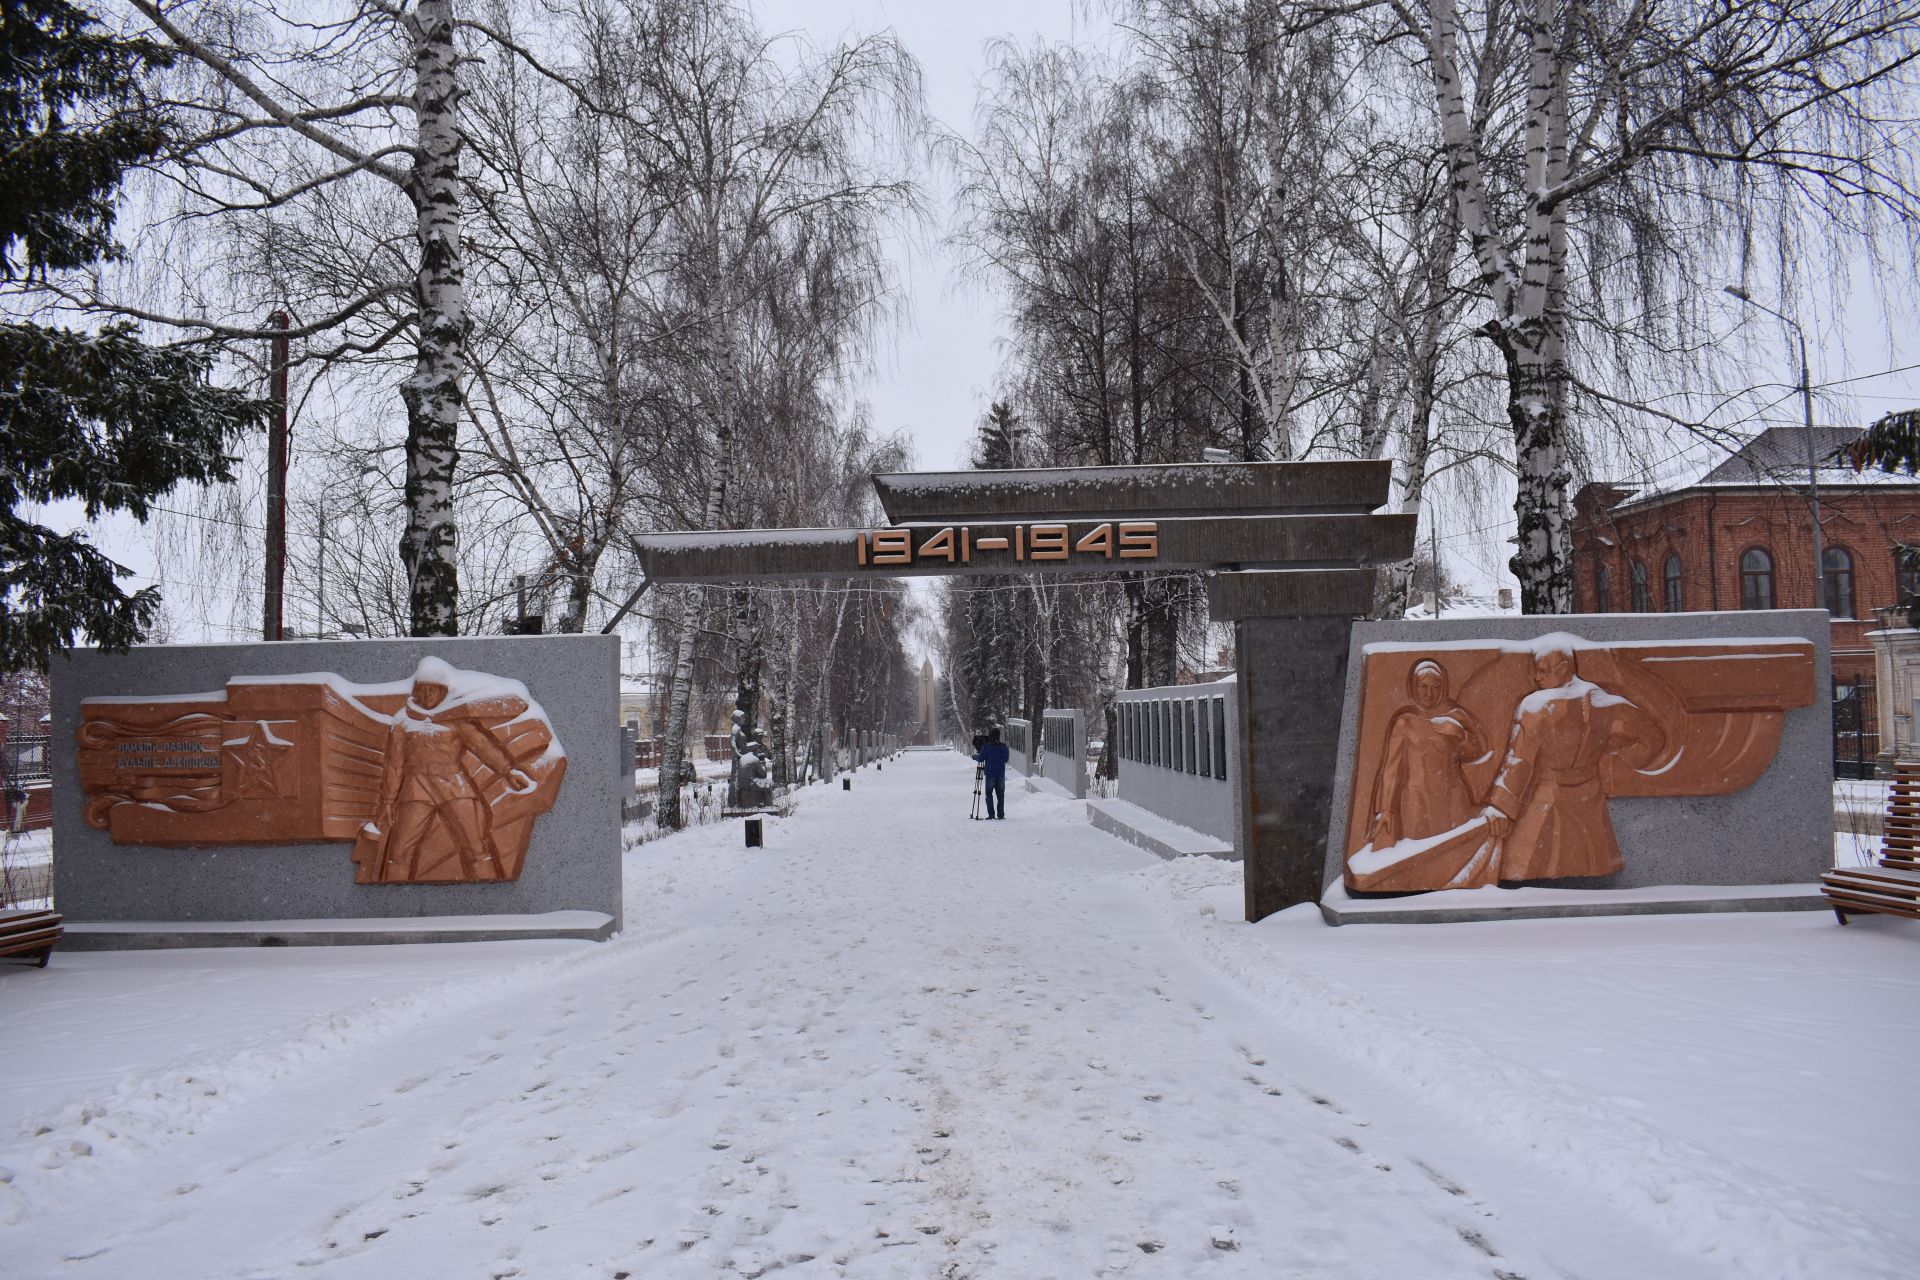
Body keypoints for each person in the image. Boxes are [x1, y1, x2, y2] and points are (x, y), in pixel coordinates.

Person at [367, 656, 536, 882]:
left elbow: (483, 747)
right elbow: (394, 764)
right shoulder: (403, 721)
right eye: (423, 689)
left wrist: (507, 770)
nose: (428, 695)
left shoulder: (456, 718)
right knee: (399, 852)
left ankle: (487, 892)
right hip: (416, 788)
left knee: (476, 847)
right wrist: (388, 800)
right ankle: (393, 899)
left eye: (433, 690)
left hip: (455, 786)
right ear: (416, 691)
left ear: (443, 691)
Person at [973, 725, 1010, 819]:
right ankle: (1001, 814)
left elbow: (981, 759)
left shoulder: (987, 746)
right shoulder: (1004, 746)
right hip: (1000, 774)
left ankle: (991, 814)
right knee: (1000, 795)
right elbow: (1006, 759)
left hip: (990, 774)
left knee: (989, 795)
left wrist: (975, 756)